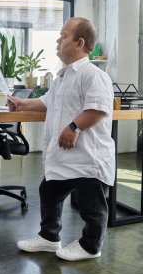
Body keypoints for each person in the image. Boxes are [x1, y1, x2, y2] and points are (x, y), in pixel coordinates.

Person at [7, 17, 115, 261]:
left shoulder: (93, 75)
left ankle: (91, 247)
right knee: (49, 191)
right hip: (65, 157)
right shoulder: (62, 78)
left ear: (79, 42)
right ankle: (49, 237)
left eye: (63, 36)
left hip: (88, 157)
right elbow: (46, 103)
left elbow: (98, 109)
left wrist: (74, 126)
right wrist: (23, 102)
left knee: (92, 206)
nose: (58, 40)